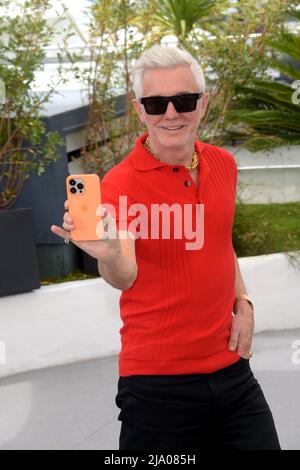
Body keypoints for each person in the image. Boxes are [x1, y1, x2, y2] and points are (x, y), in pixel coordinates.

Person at [50, 44, 281, 450]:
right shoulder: (121, 185)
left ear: (203, 104)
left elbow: (220, 241)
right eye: (156, 104)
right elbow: (125, 275)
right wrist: (108, 253)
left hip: (233, 373)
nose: (171, 114)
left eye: (184, 100)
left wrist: (243, 300)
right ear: (140, 111)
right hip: (157, 387)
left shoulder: (224, 164)